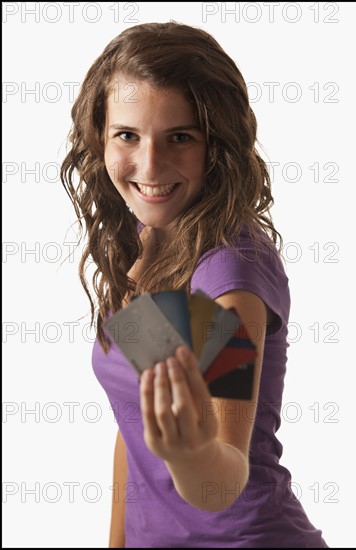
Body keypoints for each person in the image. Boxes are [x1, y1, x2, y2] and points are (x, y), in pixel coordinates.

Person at [61, 21, 329, 548]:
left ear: (219, 144)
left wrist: (192, 456)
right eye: (128, 135)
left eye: (180, 137)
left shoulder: (228, 276)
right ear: (99, 136)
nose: (150, 165)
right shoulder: (151, 235)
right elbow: (139, 423)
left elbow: (223, 473)